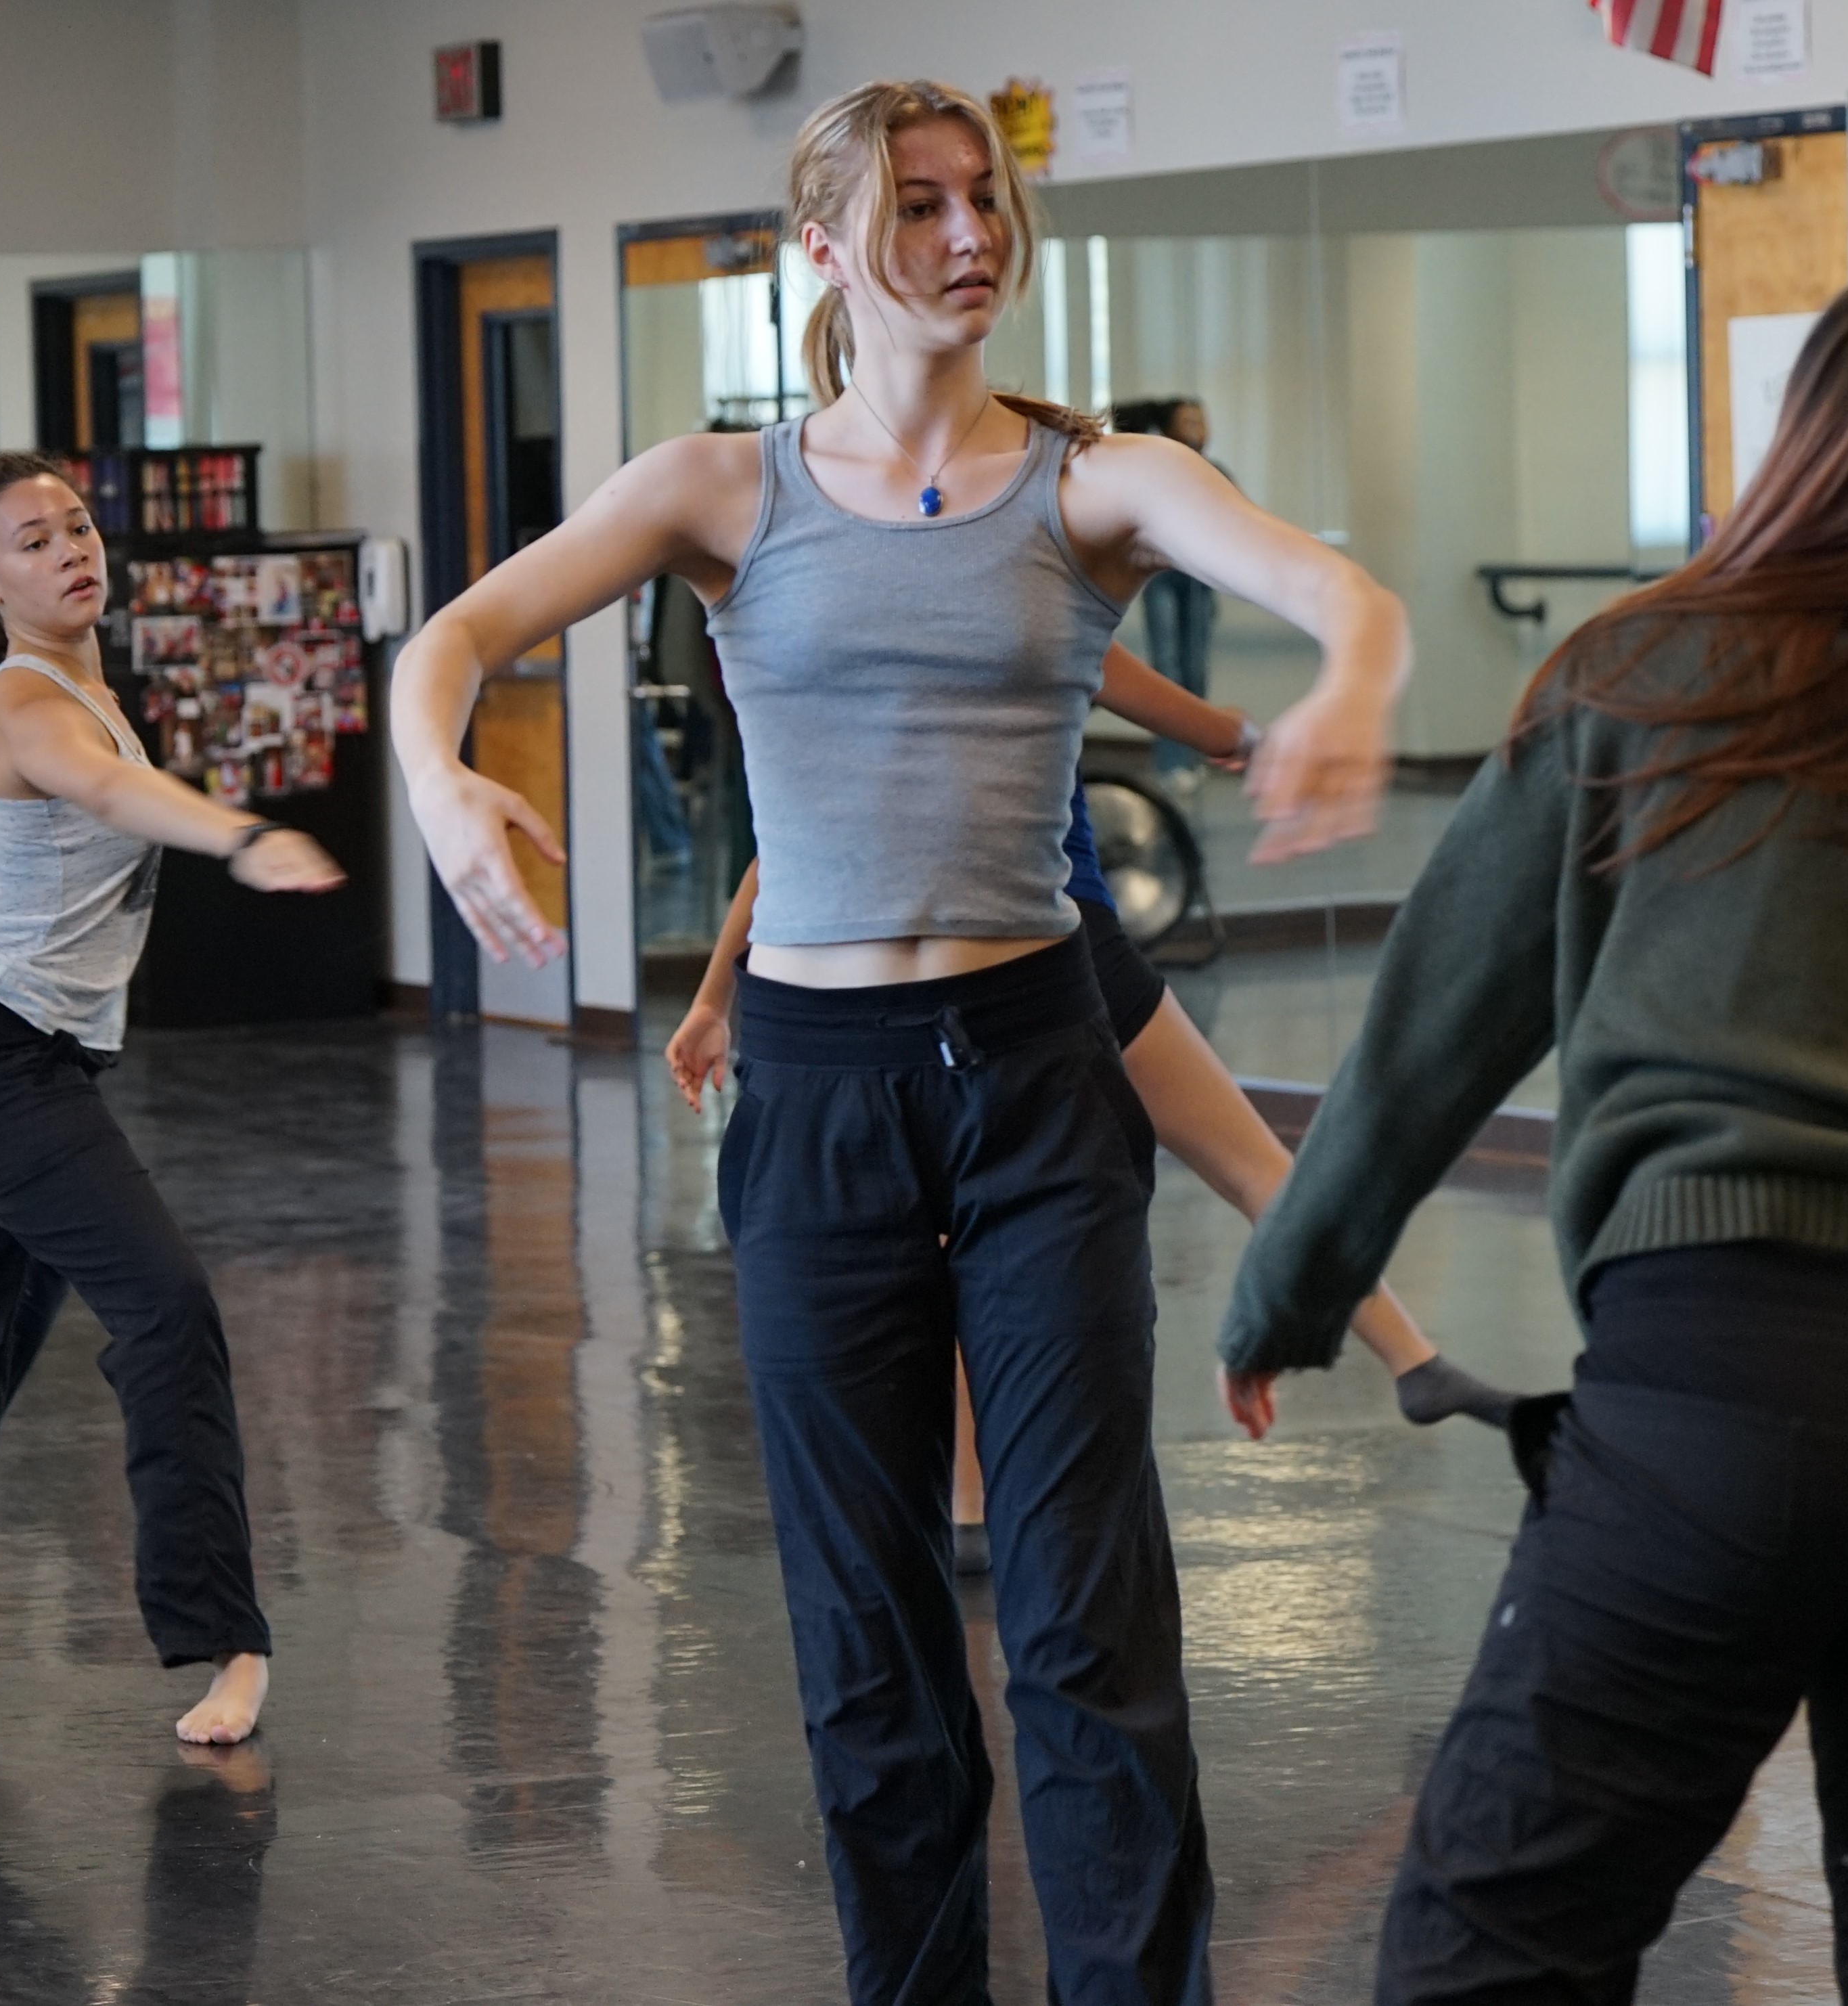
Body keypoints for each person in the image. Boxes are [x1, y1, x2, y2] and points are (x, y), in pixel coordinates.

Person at [400, 79, 1404, 2005]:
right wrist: (444, 788)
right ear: (826, 251)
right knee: (864, 1640)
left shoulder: (1085, 481)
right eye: (920, 206)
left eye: (985, 203)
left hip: (1034, 1070)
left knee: (1080, 1620)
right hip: (816, 1093)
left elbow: (1324, 584)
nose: (966, 237)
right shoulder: (719, 487)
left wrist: (1350, 677)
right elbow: (444, 643)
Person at [1221, 263, 1848, 2004]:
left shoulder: (1647, 677)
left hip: (1710, 1401)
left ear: (1812, 440)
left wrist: (1288, 1293)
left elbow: (1425, 1034)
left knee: (1485, 1955)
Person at [667, 645, 1512, 1574]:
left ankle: (971, 1509)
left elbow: (781, 853)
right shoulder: (1012, 600)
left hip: (985, 966)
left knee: (951, 1231)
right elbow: (1186, 716)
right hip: (1054, 947)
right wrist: (1259, 734)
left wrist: (716, 996)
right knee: (1246, 1163)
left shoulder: (874, 650)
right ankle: (1409, 1357)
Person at [0, 450, 344, 1748]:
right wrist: (241, 834)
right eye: (34, 541)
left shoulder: (92, 681)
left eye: (79, 526)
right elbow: (116, 794)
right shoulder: (27, 703)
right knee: (165, 1306)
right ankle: (225, 1639)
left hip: (29, 1057)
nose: (72, 550)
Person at [1117, 399, 1224, 786]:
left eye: (1200, 419)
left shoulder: (1216, 473)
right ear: (1170, 428)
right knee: (1169, 668)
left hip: (1200, 583)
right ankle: (1171, 764)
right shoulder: (1159, 466)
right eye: (1186, 420)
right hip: (1161, 579)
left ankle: (1192, 758)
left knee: (1195, 671)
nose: (1195, 427)